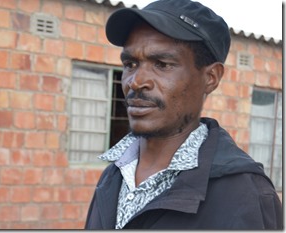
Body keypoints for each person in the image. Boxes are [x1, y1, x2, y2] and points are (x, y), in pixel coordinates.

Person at [85, 0, 283, 230]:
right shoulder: (113, 175)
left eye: (162, 64)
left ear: (211, 78)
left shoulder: (247, 196)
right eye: (130, 64)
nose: (136, 81)